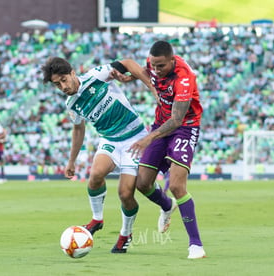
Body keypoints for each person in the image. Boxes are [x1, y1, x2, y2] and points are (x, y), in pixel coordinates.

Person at [41, 56, 153, 253]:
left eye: (64, 80)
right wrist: (71, 161)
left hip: (134, 138)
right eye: (57, 85)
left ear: (73, 73)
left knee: (125, 194)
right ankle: (97, 220)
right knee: (95, 177)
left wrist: (151, 87)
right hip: (110, 140)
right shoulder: (72, 104)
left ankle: (125, 234)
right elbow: (78, 130)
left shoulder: (96, 76)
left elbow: (126, 62)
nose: (63, 87)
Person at [112, 40, 206, 259]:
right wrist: (128, 78)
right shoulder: (153, 63)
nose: (156, 70)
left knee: (175, 184)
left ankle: (196, 245)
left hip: (184, 128)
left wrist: (149, 138)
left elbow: (176, 119)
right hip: (159, 125)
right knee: (142, 183)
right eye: (154, 65)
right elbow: (145, 71)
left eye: (161, 66)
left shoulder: (184, 79)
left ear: (172, 61)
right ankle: (166, 205)